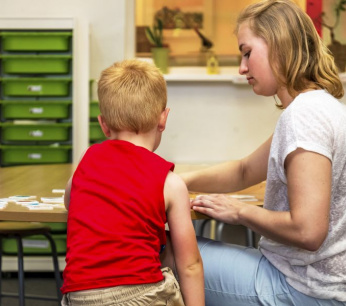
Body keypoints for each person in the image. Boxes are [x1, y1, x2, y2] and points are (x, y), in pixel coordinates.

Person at [180, 0, 346, 305]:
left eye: (247, 53)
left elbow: (309, 231)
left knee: (160, 249)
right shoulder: (319, 106)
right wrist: (179, 180)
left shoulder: (303, 116)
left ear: (279, 45)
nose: (242, 67)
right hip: (318, 285)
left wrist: (239, 212)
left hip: (300, 289)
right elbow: (244, 170)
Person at [61, 59, 204, 306]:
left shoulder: (86, 165)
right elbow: (190, 264)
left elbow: (69, 200)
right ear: (163, 119)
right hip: (141, 295)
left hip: (80, 296)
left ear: (103, 124)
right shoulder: (169, 183)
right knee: (169, 259)